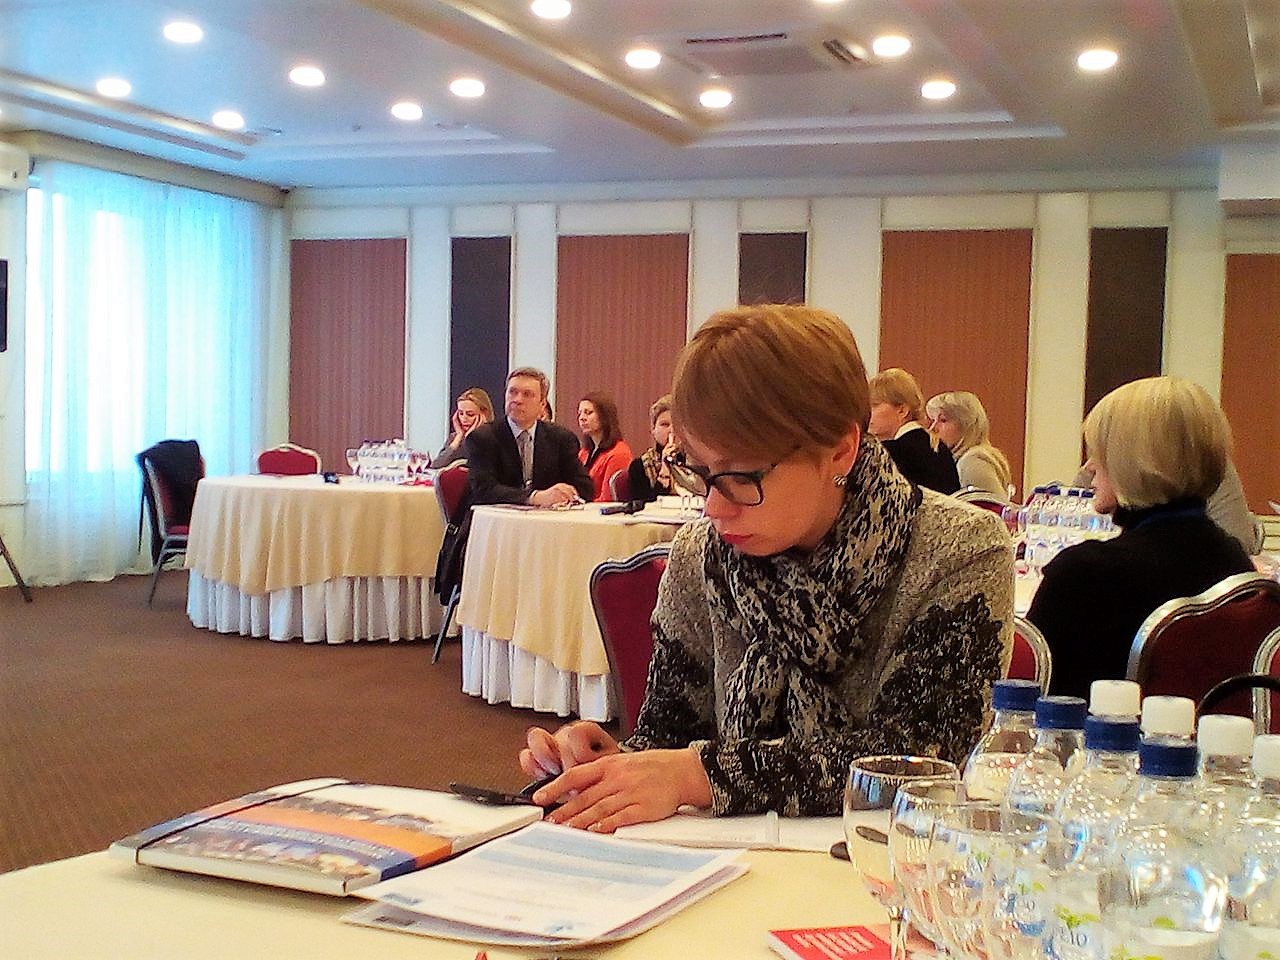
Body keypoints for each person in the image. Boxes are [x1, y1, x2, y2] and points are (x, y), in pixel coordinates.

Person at [519, 304, 1013, 832]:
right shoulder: (701, 556)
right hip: (720, 865)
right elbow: (670, 737)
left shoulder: (958, 550)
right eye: (699, 470)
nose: (714, 506)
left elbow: (922, 764)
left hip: (886, 866)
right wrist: (610, 762)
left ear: (840, 450)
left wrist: (700, 774)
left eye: (741, 476)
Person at [1027, 376, 1255, 701]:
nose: (1089, 466)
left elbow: (1024, 695)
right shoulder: (1235, 564)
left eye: (1099, 452)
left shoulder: (1086, 575)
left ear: (1132, 461)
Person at [464, 367, 593, 507]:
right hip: (496, 517)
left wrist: (565, 492)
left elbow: (585, 487)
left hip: (546, 518)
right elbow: (484, 490)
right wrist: (534, 497)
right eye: (512, 392)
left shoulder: (561, 439)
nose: (517, 400)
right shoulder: (482, 438)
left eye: (527, 394)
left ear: (542, 404)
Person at [868, 368, 961, 494]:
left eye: (874, 405)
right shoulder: (939, 447)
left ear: (902, 410)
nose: (867, 413)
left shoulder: (890, 453)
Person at [925, 391, 1013, 501]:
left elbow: (992, 508)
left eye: (943, 420)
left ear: (965, 425)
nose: (932, 428)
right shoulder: (962, 459)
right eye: (933, 420)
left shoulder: (972, 461)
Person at [626, 395, 692, 503]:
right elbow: (645, 506)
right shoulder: (639, 466)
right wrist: (665, 467)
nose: (672, 430)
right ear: (653, 429)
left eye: (677, 424)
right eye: (665, 424)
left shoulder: (697, 462)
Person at [577, 392, 634, 502]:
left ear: (604, 416)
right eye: (579, 413)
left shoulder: (619, 453)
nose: (582, 418)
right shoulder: (584, 453)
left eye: (588, 413)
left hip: (599, 510)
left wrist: (579, 505)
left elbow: (608, 499)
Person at [429, 387, 494, 469]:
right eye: (460, 413)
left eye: (470, 414)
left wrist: (471, 438)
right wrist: (456, 441)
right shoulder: (454, 438)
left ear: (484, 414)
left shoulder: (494, 438)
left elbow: (481, 469)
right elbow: (435, 466)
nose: (463, 419)